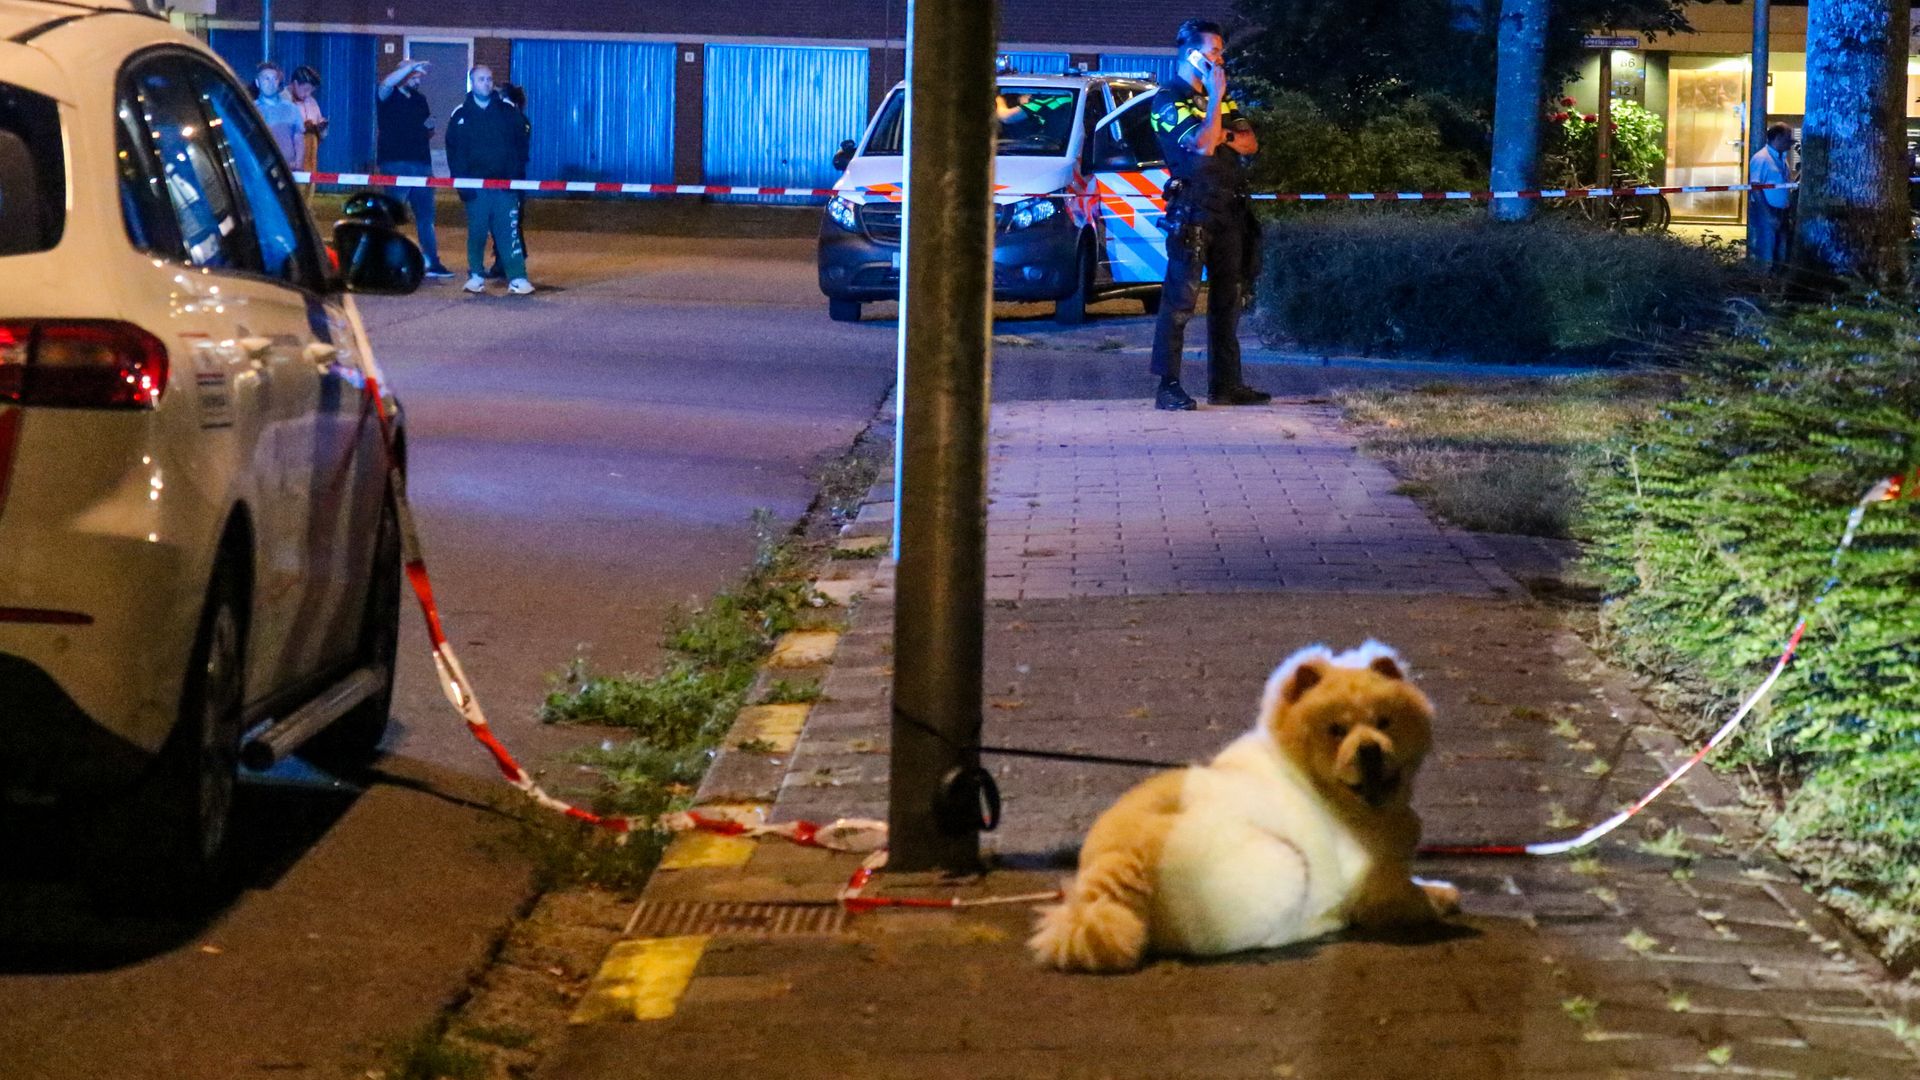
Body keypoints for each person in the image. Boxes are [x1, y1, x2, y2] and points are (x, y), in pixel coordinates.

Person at [1147, 19, 1270, 411]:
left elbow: (1249, 143)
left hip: (1229, 208)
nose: (1221, 58)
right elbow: (1201, 146)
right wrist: (1216, 102)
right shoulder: (1167, 99)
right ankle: (1168, 386)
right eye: (1214, 51)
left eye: (1220, 51)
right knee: (1180, 302)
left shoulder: (1222, 101)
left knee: (1228, 300)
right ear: (1192, 55)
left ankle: (1226, 385)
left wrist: (1221, 129)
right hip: (1193, 210)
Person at [446, 65, 533, 295]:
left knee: (509, 233)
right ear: (472, 83)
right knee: (477, 232)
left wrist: (514, 178)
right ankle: (476, 275)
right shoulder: (460, 115)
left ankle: (518, 277)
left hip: (505, 187)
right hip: (475, 188)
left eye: (489, 79)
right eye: (481, 79)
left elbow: (521, 143)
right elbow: (454, 153)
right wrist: (463, 186)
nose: (486, 83)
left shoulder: (507, 112)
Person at [377, 58, 454, 280]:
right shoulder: (388, 97)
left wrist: (429, 128)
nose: (419, 79)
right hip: (396, 163)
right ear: (403, 74)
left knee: (426, 216)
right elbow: (385, 85)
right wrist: (410, 66)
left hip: (421, 163)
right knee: (392, 216)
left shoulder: (421, 100)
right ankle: (386, 263)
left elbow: (427, 131)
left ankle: (432, 261)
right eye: (415, 75)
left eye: (420, 76)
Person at [486, 81, 530, 280]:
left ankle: (508, 263)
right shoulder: (520, 119)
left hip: (507, 179)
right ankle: (502, 262)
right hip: (511, 178)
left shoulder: (512, 119)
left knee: (507, 222)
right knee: (506, 221)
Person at [1748, 122, 1794, 267]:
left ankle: (1774, 282)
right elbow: (1756, 187)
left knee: (1780, 252)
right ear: (1778, 137)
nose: (1791, 143)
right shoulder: (1762, 158)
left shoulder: (1781, 159)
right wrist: (1767, 214)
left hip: (1781, 211)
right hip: (1767, 210)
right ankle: (1762, 282)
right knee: (1766, 251)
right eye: (1788, 139)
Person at [250, 61, 303, 167]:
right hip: (262, 173)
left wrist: (298, 164)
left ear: (278, 82)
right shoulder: (250, 110)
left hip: (289, 170)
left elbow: (298, 138)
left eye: (274, 79)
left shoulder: (292, 109)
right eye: (266, 79)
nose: (271, 83)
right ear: (257, 83)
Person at [289, 65, 327, 174]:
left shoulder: (312, 102)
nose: (308, 94)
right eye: (305, 90)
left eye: (311, 91)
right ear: (295, 84)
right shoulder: (282, 101)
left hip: (310, 161)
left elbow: (321, 130)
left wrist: (321, 128)